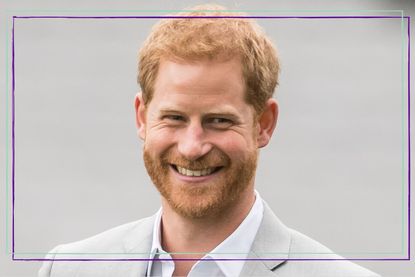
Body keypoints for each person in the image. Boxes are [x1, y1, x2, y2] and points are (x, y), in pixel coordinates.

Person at [39, 4, 380, 277]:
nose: (192, 146)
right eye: (174, 118)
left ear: (263, 124)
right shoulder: (69, 268)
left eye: (218, 121)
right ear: (142, 117)